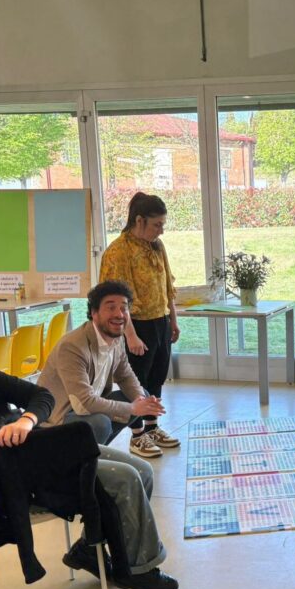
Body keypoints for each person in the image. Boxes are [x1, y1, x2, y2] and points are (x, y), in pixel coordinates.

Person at [0, 346, 178, 589]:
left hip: (37, 446)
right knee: (126, 479)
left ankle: (89, 548)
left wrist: (26, 420)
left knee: (142, 469)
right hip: (11, 480)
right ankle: (140, 569)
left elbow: (42, 396)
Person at [38, 281, 168, 459]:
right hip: (56, 421)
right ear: (94, 313)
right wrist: (132, 408)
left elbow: (125, 376)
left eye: (124, 308)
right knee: (101, 423)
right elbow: (84, 403)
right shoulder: (72, 346)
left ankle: (92, 453)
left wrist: (141, 401)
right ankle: (77, 460)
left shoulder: (116, 337)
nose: (119, 314)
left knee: (140, 395)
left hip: (84, 410)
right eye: (111, 307)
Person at [99, 193, 180, 450]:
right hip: (134, 325)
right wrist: (131, 335)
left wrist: (173, 319)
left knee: (156, 378)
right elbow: (117, 301)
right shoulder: (118, 251)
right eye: (157, 225)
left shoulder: (156, 245)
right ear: (139, 220)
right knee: (135, 382)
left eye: (163, 224)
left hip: (159, 320)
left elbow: (167, 285)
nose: (161, 230)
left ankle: (152, 427)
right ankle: (137, 434)